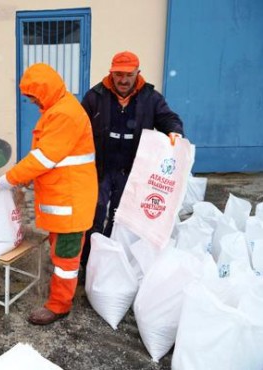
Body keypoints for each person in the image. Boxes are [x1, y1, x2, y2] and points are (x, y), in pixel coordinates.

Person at [0, 63, 97, 325]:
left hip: (70, 205)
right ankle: (63, 292)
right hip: (64, 200)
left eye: (33, 96)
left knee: (65, 258)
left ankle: (59, 306)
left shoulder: (64, 114)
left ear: (44, 91)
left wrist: (10, 178)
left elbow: (43, 157)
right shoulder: (57, 108)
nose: (31, 101)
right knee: (61, 254)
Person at [79, 51, 184, 277]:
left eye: (129, 74)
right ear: (111, 73)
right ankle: (88, 263)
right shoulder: (95, 96)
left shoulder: (150, 98)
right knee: (93, 215)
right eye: (118, 74)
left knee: (120, 216)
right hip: (100, 168)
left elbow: (168, 118)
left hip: (131, 169)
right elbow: (77, 123)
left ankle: (113, 261)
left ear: (138, 73)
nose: (123, 80)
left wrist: (174, 131)